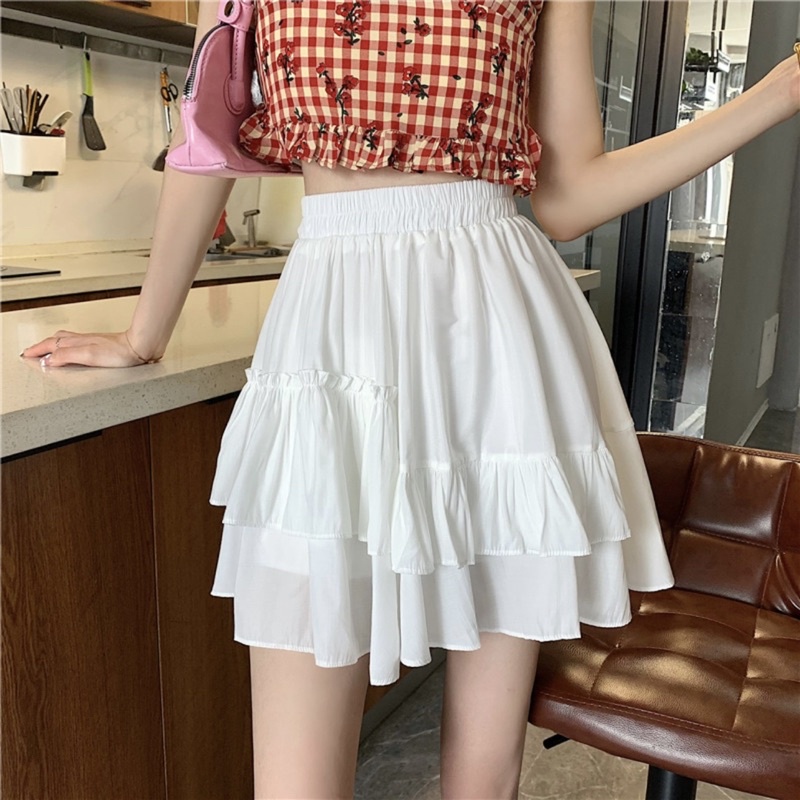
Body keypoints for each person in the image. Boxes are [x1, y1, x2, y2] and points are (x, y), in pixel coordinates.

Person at [21, 1, 800, 797]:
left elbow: (567, 197)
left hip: (495, 338)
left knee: (482, 773)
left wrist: (779, 90)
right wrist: (144, 333)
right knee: (294, 771)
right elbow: (206, 138)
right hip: (332, 331)